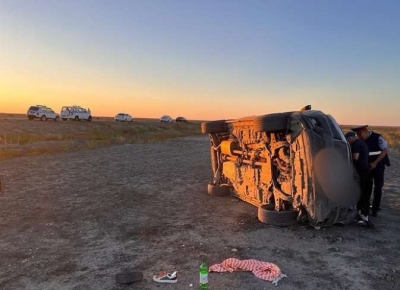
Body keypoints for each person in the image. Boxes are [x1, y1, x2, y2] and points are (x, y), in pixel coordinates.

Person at [351, 125, 390, 217]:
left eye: (360, 134)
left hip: (378, 166)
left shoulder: (378, 138)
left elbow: (384, 151)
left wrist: (375, 163)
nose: (359, 136)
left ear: (365, 131)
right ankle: (366, 208)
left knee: (378, 187)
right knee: (367, 187)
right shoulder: (360, 141)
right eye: (357, 134)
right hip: (367, 167)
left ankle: (375, 209)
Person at [345, 131, 372, 225]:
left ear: (352, 138)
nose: (349, 142)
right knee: (364, 190)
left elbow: (355, 157)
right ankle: (363, 209)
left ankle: (360, 210)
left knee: (360, 189)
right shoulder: (361, 142)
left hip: (361, 170)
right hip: (365, 169)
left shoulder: (356, 144)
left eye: (348, 140)